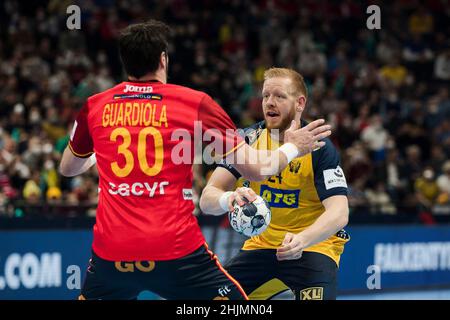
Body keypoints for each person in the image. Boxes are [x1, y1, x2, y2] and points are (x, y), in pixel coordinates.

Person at [58, 21, 332, 300]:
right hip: (176, 252)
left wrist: (98, 153)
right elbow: (259, 170)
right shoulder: (195, 103)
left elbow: (68, 167)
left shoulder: (95, 105)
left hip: (111, 253)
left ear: (124, 61)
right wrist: (292, 147)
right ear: (163, 59)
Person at [200, 68, 349, 300]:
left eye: (279, 96)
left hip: (312, 248)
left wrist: (303, 239)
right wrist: (227, 198)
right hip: (261, 247)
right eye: (265, 96)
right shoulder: (247, 140)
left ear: (300, 103)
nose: (270, 102)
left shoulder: (319, 147)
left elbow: (339, 213)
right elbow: (206, 199)